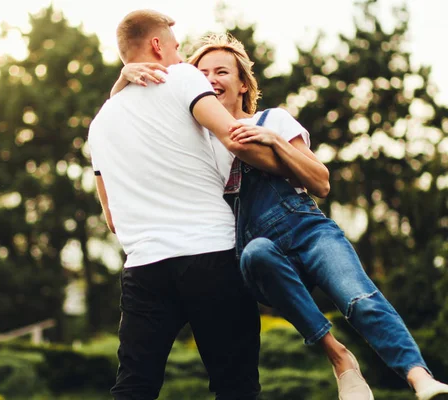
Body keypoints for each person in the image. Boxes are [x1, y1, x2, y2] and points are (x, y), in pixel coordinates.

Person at [114, 33, 448, 400]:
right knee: (256, 252)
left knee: (358, 298)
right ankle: (339, 358)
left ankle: (419, 378)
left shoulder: (273, 118)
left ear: (243, 83)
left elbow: (320, 181)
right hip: (256, 249)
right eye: (202, 72)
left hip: (307, 230)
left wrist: (272, 141)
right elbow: (127, 119)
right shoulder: (201, 143)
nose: (211, 79)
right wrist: (123, 79)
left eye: (222, 71)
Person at [89, 10, 298, 400]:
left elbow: (112, 219)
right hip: (211, 255)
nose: (181, 55)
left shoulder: (100, 123)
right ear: (157, 45)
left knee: (134, 386)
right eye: (176, 45)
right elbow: (233, 138)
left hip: (144, 269)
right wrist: (294, 170)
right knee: (235, 385)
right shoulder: (184, 78)